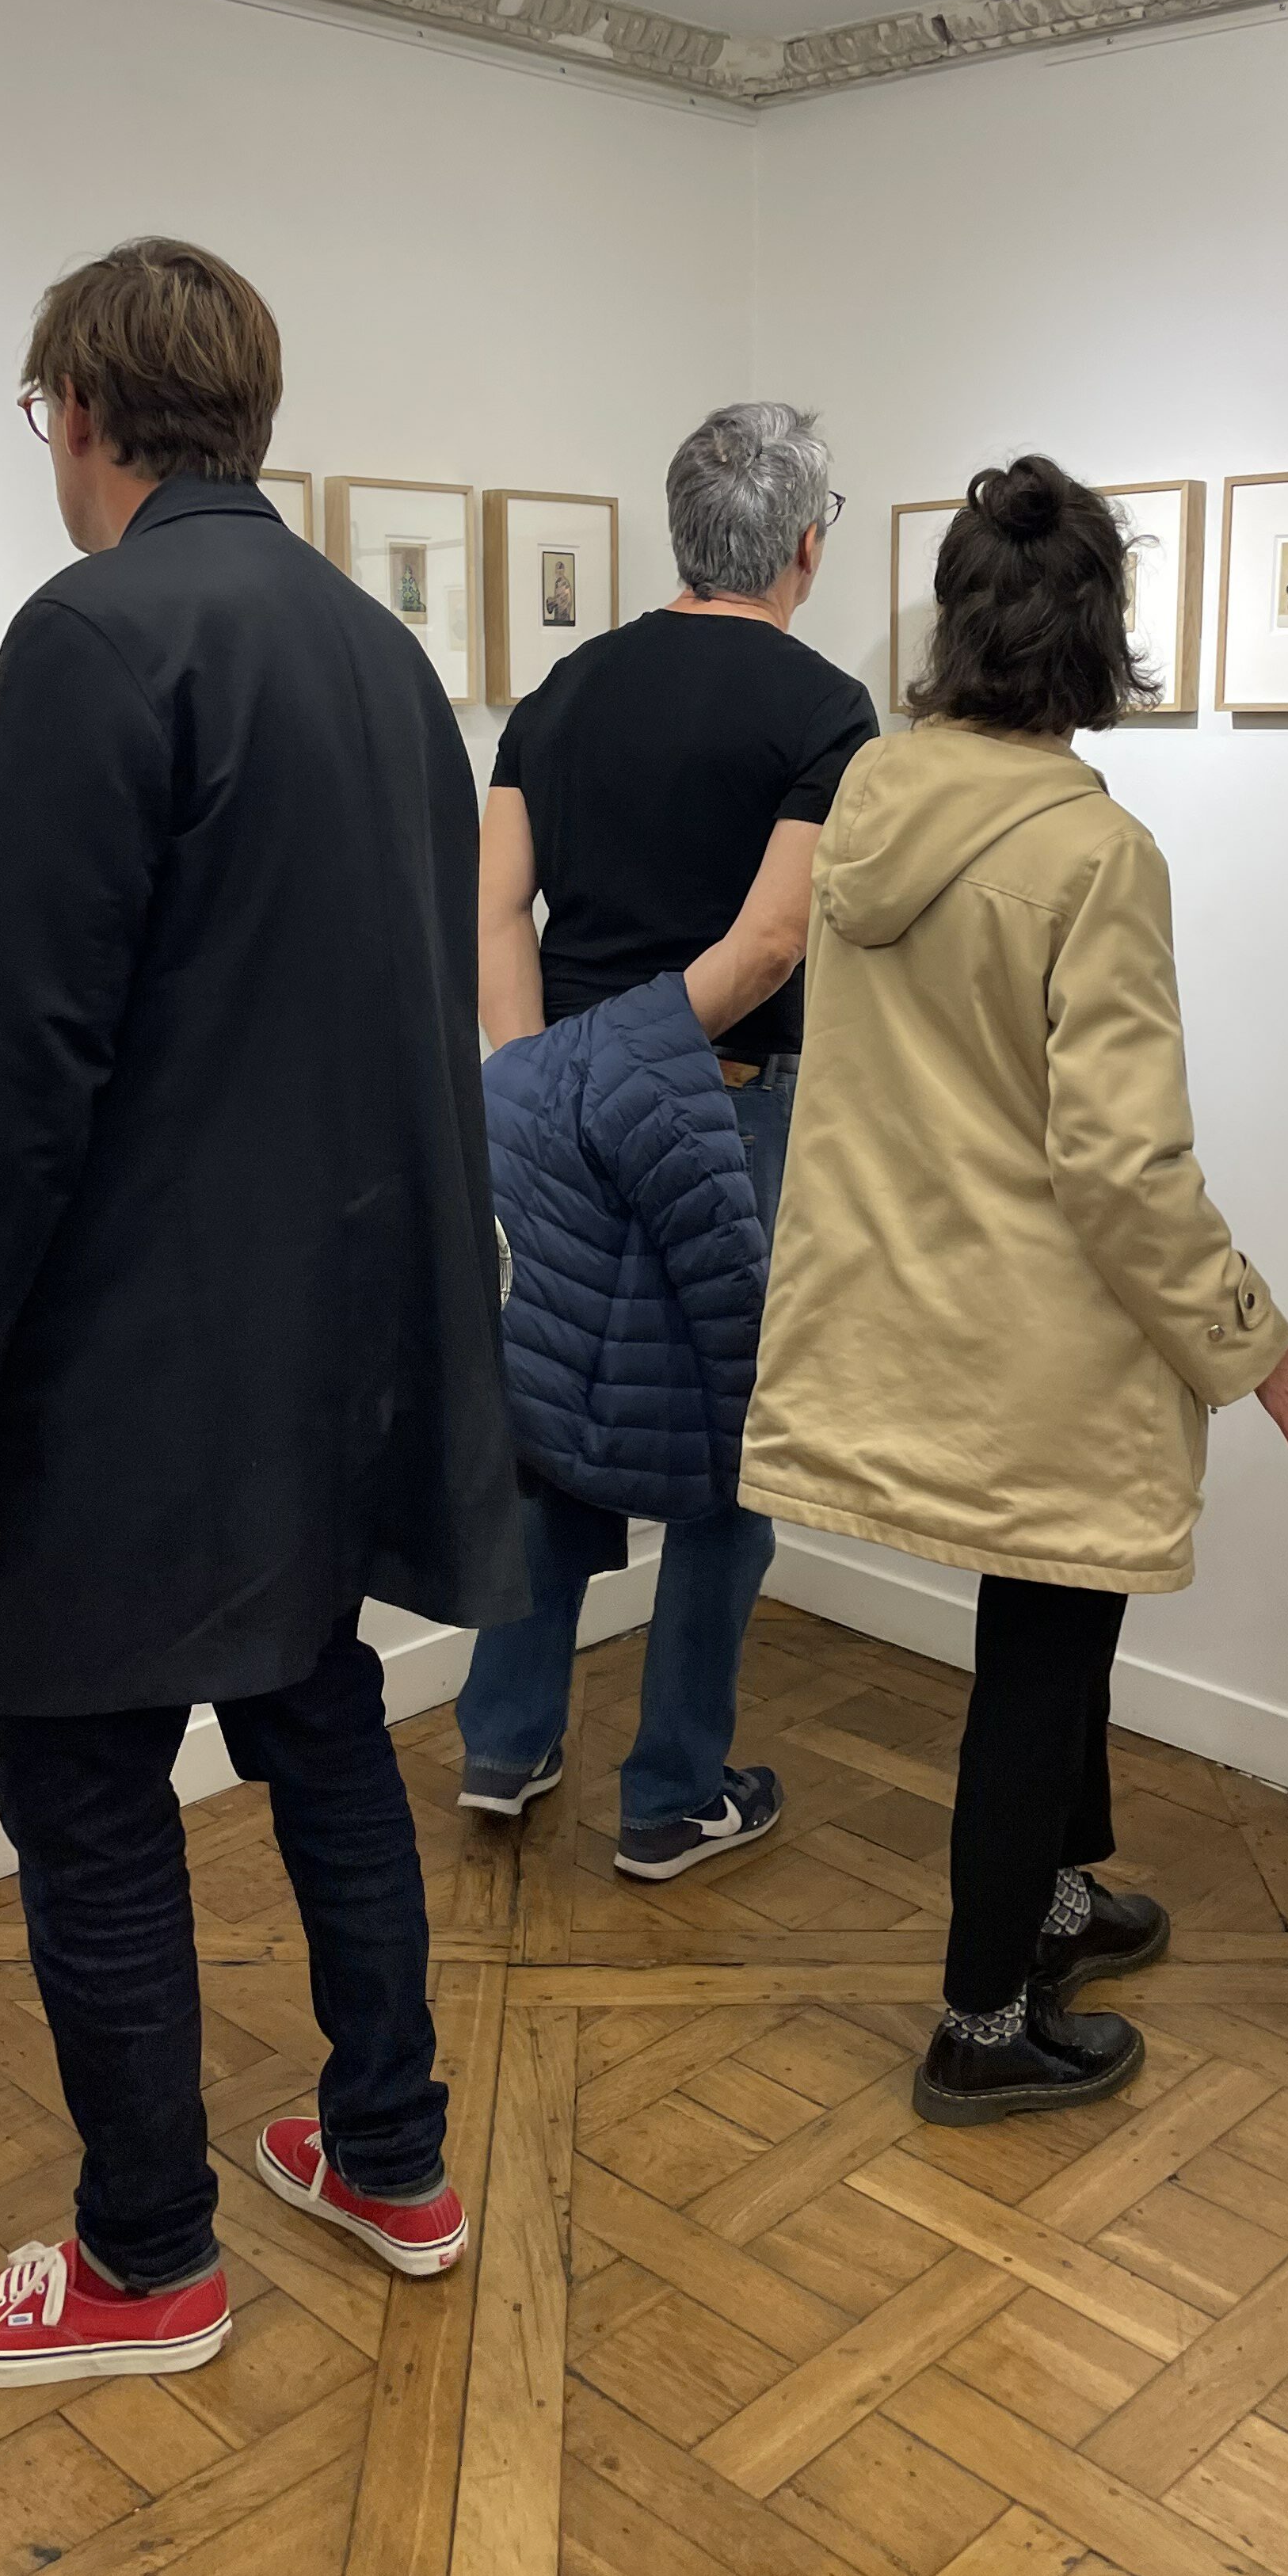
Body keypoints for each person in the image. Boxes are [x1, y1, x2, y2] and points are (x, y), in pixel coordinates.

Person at [0, 238, 524, 2387]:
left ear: (77, 406)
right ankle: (392, 2152)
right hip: (347, 1334)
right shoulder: (378, 655)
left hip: (143, 1355)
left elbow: (23, 1046)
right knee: (314, 1705)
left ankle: (149, 2259)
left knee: (81, 1775)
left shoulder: (95, 634)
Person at [741, 458, 1288, 2124]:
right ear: (1101, 639)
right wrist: (1273, 1366)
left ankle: (1055, 1895)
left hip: (902, 1306)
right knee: (1045, 1637)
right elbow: (1123, 1174)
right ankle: (980, 2017)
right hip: (1039, 1331)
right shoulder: (1096, 855)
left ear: (956, 622)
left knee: (1051, 1624)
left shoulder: (865, 800)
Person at [457, 403, 878, 1877]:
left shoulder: (565, 689)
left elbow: (494, 900)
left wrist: (536, 1066)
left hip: (558, 1095)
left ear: (676, 526)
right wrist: (643, 1053)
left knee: (554, 1401)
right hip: (723, 1094)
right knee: (725, 1445)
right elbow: (767, 943)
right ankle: (670, 1790)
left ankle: (504, 1743)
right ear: (806, 545)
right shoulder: (825, 710)